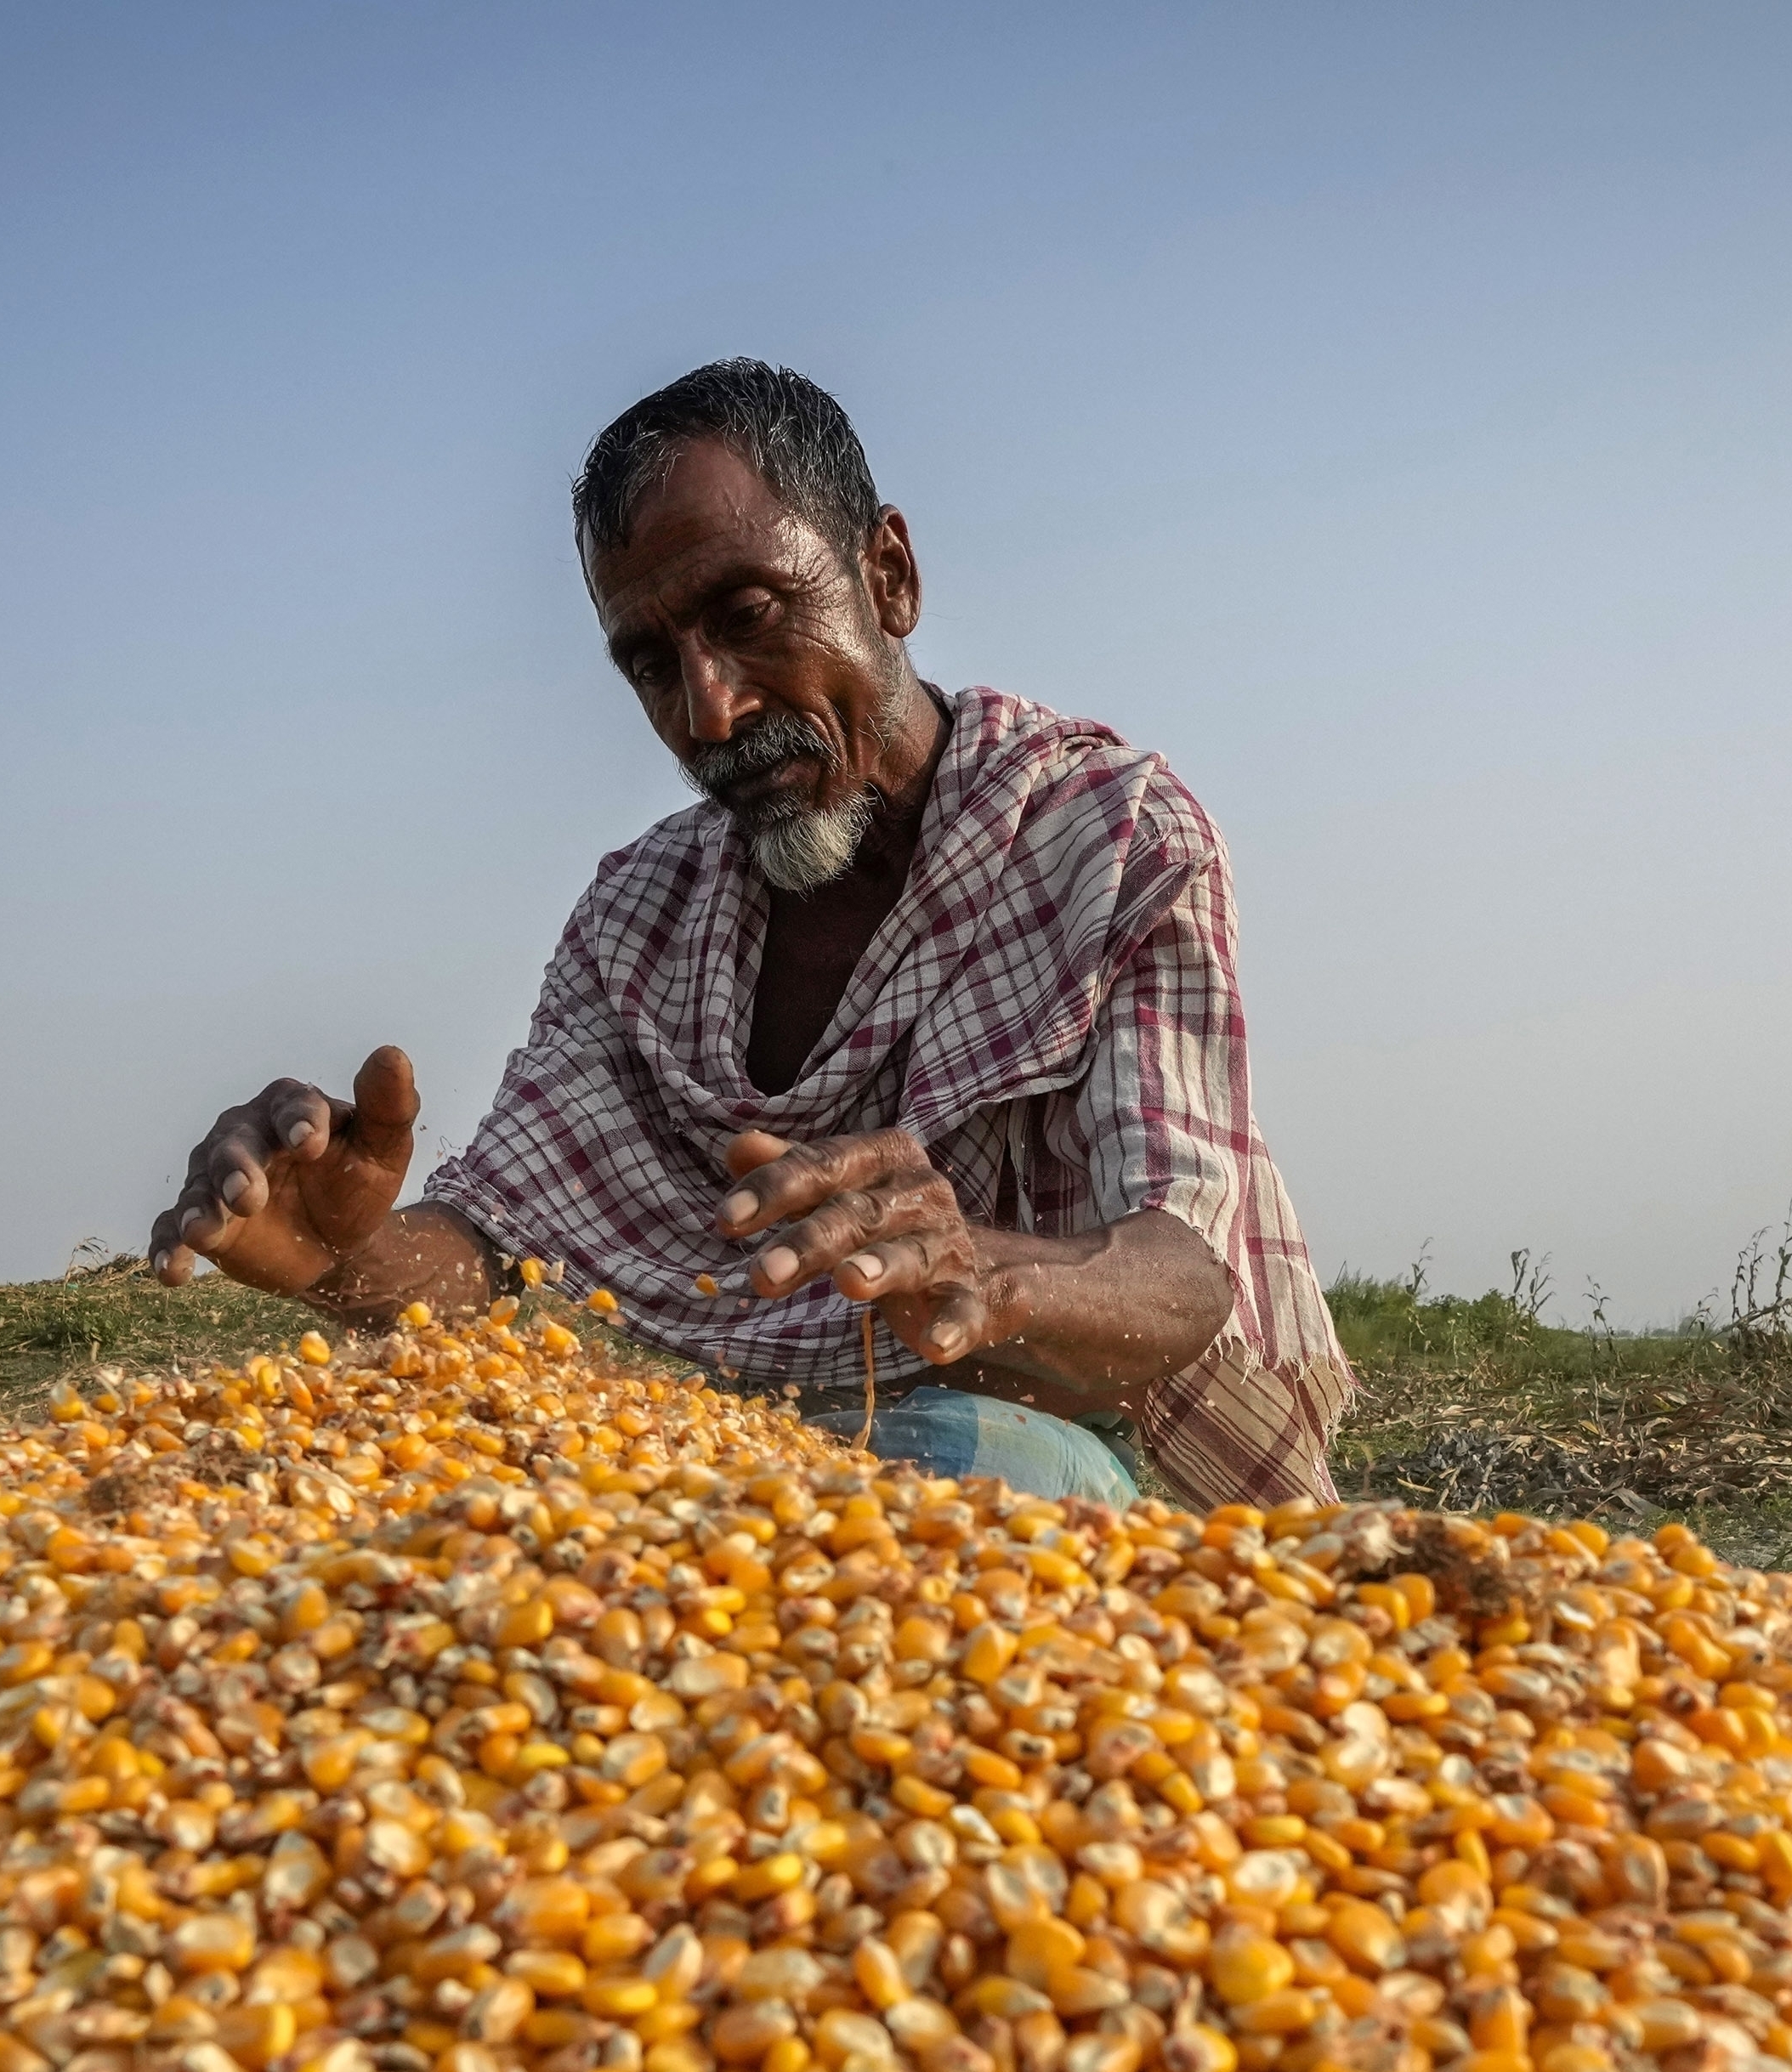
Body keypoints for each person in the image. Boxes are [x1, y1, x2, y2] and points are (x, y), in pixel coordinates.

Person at [146, 361, 1350, 1507]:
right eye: (652, 666)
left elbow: (1185, 1269)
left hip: (1087, 1439)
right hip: (767, 1441)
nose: (711, 710)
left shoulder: (1108, 838)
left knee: (951, 1490)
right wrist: (337, 1252)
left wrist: (988, 1273)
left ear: (889, 578)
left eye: (752, 614)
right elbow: (501, 1248)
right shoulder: (641, 919)